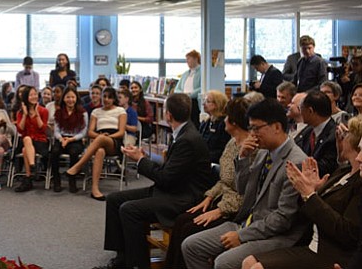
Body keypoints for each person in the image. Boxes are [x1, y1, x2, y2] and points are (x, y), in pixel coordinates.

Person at [181, 99, 308, 269]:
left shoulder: (295, 162)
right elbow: (242, 191)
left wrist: (242, 235)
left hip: (275, 236)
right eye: (251, 128)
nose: (252, 134)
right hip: (248, 222)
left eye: (256, 128)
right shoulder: (264, 152)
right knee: (191, 246)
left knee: (223, 262)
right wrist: (243, 159)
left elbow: (282, 219)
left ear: (277, 127)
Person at [93, 93, 212, 269]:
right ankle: (122, 259)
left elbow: (166, 179)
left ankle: (138, 264)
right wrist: (144, 156)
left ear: (168, 115)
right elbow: (172, 170)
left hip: (182, 197)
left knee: (129, 210)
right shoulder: (183, 132)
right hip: (173, 189)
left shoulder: (187, 139)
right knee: (114, 199)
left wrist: (140, 160)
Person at [241, 116, 362, 269]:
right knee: (248, 261)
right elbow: (312, 208)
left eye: (345, 136)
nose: (340, 139)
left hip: (331, 253)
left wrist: (310, 195)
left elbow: (347, 234)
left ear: (354, 143)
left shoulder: (358, 182)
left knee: (255, 267)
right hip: (311, 242)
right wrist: (313, 191)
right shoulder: (343, 171)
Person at [164, 97, 253, 269]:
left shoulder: (251, 149)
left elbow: (248, 192)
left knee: (189, 228)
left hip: (236, 210)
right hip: (222, 201)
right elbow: (225, 180)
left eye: (226, 117)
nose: (223, 120)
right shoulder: (232, 142)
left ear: (234, 122)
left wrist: (220, 210)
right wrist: (209, 196)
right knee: (182, 220)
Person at [65, 87, 127, 201]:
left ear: (114, 99)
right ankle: (95, 189)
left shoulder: (120, 111)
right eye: (104, 96)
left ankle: (77, 166)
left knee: (101, 139)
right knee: (99, 151)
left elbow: (121, 132)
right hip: (99, 140)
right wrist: (100, 137)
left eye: (109, 97)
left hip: (114, 141)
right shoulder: (96, 112)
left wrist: (107, 137)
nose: (106, 99)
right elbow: (90, 132)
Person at [50, 86, 88, 193]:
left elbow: (83, 132)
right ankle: (56, 181)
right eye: (68, 97)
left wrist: (71, 140)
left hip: (75, 140)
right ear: (64, 99)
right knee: (54, 152)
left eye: (73, 97)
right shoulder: (58, 112)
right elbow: (56, 131)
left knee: (74, 152)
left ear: (76, 98)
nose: (70, 100)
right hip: (62, 138)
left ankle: (72, 181)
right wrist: (62, 139)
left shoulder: (83, 113)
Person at [14, 86, 50, 193]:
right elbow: (20, 130)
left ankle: (28, 178)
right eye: (31, 95)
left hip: (40, 141)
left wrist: (37, 115)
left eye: (35, 94)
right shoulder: (20, 112)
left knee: (26, 145)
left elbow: (43, 129)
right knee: (26, 141)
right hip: (26, 141)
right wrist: (25, 115)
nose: (34, 97)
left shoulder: (44, 111)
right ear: (26, 97)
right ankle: (32, 167)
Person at [295, 90, 338, 178]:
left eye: (301, 109)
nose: (300, 112)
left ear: (310, 111)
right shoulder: (308, 130)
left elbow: (324, 168)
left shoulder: (334, 136)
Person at [200, 90, 231, 165]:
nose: (203, 104)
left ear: (217, 104)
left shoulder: (224, 124)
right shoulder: (206, 123)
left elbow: (223, 150)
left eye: (207, 101)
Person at [174, 49, 202, 128]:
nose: (187, 61)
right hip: (184, 101)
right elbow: (177, 88)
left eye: (189, 59)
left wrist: (190, 95)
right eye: (186, 59)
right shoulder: (185, 74)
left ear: (196, 59)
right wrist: (182, 95)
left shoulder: (202, 72)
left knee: (194, 122)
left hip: (194, 101)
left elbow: (202, 88)